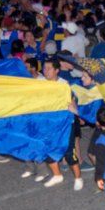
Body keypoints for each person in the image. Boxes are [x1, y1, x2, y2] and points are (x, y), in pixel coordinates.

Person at [37, 59, 84, 190]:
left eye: (49, 68)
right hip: (47, 123)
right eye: (44, 68)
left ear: (57, 70)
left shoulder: (63, 85)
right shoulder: (39, 83)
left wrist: (79, 115)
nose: (45, 71)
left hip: (64, 124)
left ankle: (78, 178)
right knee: (47, 149)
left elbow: (71, 103)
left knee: (69, 151)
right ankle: (57, 175)